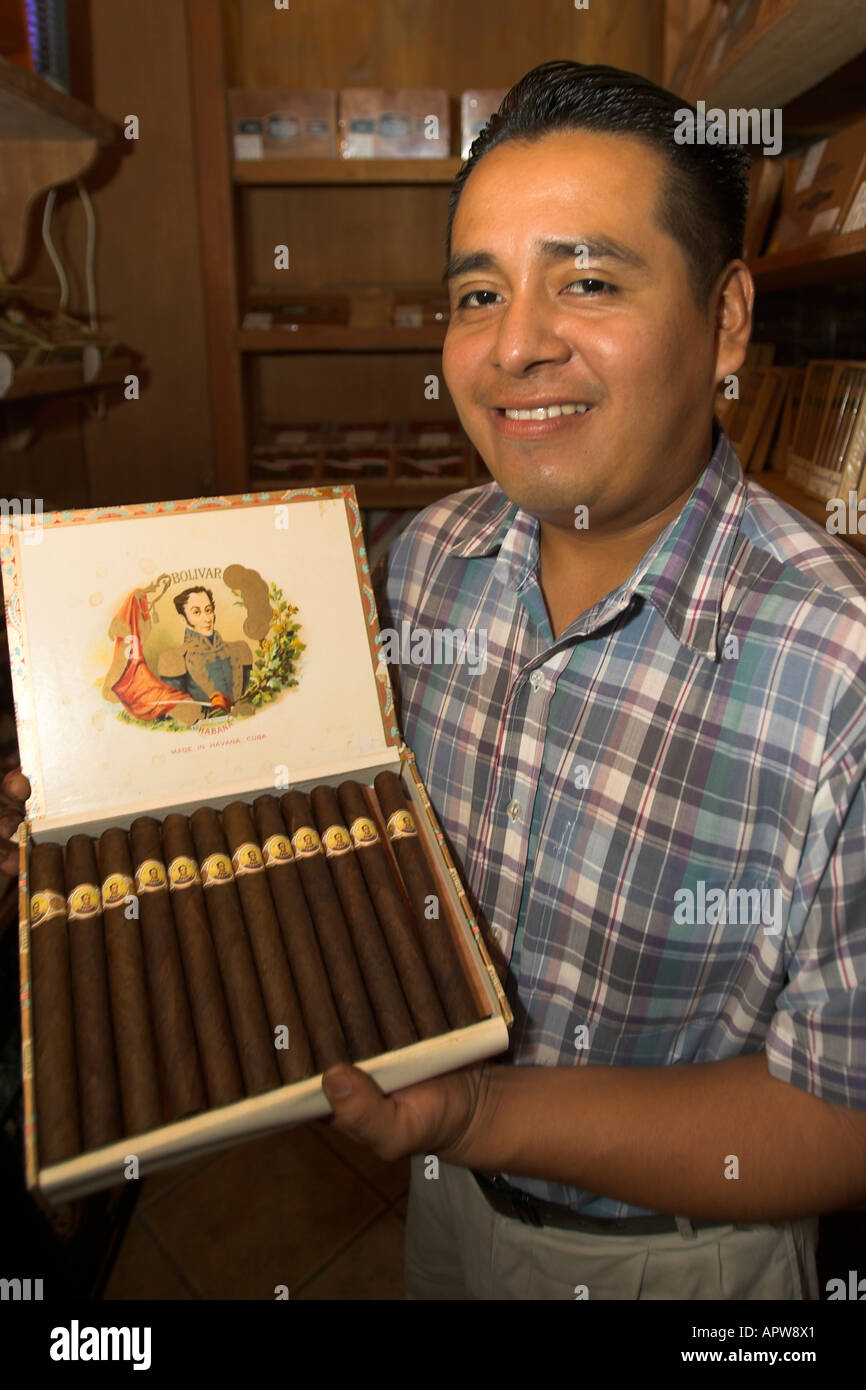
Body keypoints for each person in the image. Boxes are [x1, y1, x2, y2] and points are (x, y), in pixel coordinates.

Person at [324, 61, 865, 1300]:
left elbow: (839, 1118)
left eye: (585, 281)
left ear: (725, 321)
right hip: (444, 1204)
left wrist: (476, 1113)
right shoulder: (426, 561)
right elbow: (355, 816)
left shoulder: (836, 670)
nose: (514, 345)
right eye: (477, 292)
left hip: (680, 1261)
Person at [157, 587, 252, 706]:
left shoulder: (239, 649)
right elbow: (176, 709)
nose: (207, 619)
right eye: (196, 612)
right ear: (183, 619)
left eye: (208, 610)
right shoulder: (174, 659)